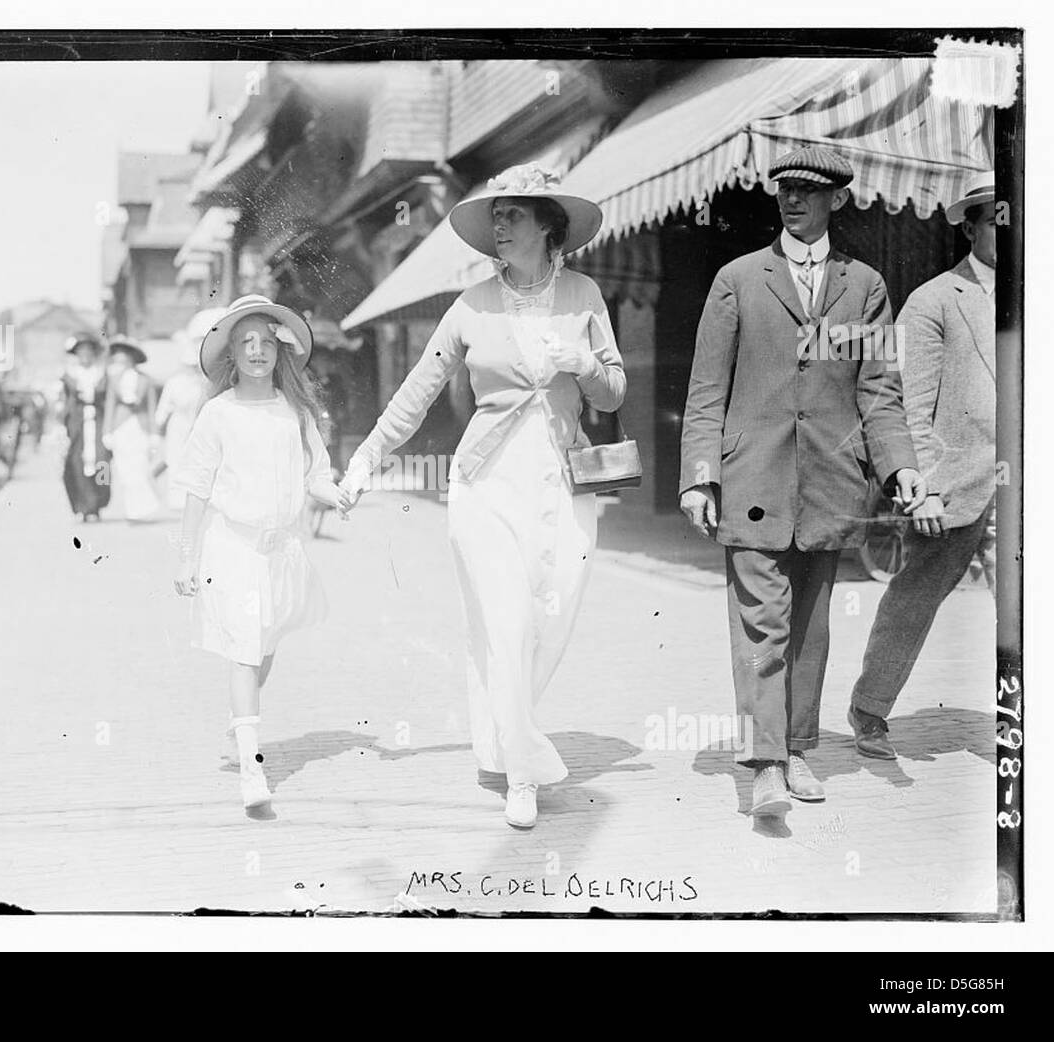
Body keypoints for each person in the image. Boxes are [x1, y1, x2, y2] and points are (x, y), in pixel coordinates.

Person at [339, 162, 626, 829]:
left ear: (548, 225)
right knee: (506, 621)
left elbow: (614, 390)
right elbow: (418, 389)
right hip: (486, 482)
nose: (499, 226)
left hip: (563, 481)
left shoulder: (583, 295)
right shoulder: (470, 304)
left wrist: (582, 364)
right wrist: (364, 460)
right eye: (494, 216)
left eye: (512, 215)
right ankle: (523, 775)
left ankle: (503, 737)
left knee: (549, 627)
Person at [678, 146, 925, 819]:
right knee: (763, 625)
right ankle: (764, 767)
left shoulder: (866, 286)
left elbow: (879, 390)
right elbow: (706, 390)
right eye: (785, 189)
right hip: (751, 476)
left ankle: (795, 749)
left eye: (809, 193)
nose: (793, 201)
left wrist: (900, 466)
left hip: (828, 483)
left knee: (812, 627)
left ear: (836, 201)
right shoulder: (737, 279)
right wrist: (701, 477)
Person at [172, 295, 349, 811]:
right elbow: (196, 490)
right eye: (246, 343)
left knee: (264, 648)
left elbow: (316, 474)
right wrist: (185, 556)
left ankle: (238, 726)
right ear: (232, 352)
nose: (256, 352)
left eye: (266, 343)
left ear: (279, 352)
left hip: (281, 552)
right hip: (233, 550)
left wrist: (336, 495)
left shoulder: (294, 413)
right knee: (246, 652)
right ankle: (252, 773)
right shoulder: (218, 414)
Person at [847, 172, 998, 760]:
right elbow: (908, 404)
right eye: (996, 222)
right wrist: (925, 489)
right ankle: (870, 708)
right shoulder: (935, 299)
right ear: (970, 227)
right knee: (916, 596)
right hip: (956, 486)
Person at [157, 308, 224, 510]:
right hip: (180, 425)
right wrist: (159, 425)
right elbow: (165, 406)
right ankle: (178, 498)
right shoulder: (176, 382)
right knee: (176, 458)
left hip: (202, 423)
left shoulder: (210, 382)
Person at [102, 337, 162, 522]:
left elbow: (152, 407)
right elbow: (110, 406)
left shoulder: (145, 380)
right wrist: (107, 431)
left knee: (140, 467)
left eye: (124, 358)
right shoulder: (113, 380)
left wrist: (154, 433)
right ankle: (132, 511)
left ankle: (144, 508)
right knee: (125, 469)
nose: (120, 361)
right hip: (121, 427)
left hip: (140, 427)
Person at [59, 332, 112, 522]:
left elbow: (109, 399)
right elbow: (64, 403)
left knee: (102, 462)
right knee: (76, 462)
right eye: (81, 352)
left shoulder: (102, 374)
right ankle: (82, 506)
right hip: (77, 424)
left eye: (89, 352)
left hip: (98, 422)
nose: (85, 356)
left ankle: (98, 503)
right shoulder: (69, 376)